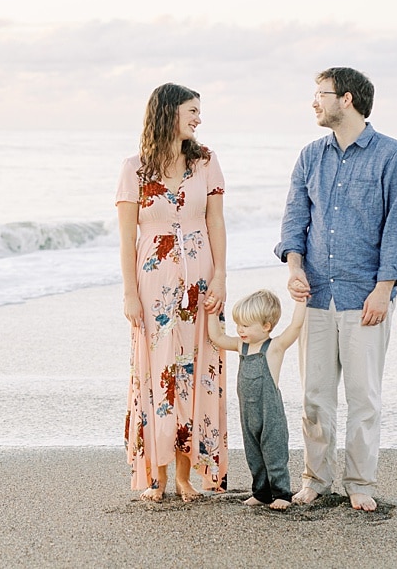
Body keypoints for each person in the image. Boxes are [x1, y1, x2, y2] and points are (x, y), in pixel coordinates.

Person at [274, 67, 397, 512]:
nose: (314, 102)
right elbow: (295, 220)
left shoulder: (392, 157)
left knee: (363, 397)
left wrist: (384, 288)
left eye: (321, 94)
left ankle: (359, 482)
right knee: (314, 396)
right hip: (315, 295)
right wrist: (294, 267)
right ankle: (316, 478)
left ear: (347, 99)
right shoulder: (310, 156)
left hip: (366, 298)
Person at [116, 82, 228, 502]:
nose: (199, 119)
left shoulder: (205, 162)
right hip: (154, 284)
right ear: (168, 113)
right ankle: (156, 476)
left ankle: (185, 476)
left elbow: (216, 222)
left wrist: (219, 279)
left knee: (197, 370)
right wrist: (130, 294)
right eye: (192, 111)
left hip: (200, 280)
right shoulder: (134, 168)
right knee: (159, 374)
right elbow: (127, 238)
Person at [207, 290, 306, 510]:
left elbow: (295, 327)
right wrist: (211, 313)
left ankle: (282, 493)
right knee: (253, 453)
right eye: (238, 324)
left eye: (246, 325)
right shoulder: (240, 346)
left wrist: (301, 302)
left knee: (274, 453)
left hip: (270, 413)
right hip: (248, 413)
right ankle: (261, 492)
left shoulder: (274, 347)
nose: (240, 330)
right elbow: (217, 338)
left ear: (266, 326)